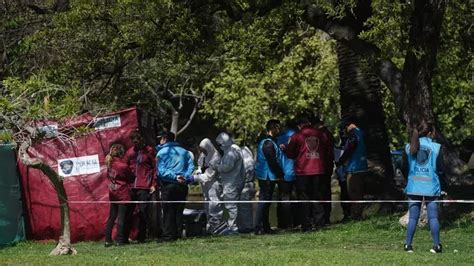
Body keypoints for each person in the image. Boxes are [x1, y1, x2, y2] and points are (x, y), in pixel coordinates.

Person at [403, 123, 444, 253]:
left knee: (413, 218)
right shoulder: (437, 148)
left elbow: (404, 168)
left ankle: (408, 245)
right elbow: (441, 169)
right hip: (431, 187)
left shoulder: (408, 147)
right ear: (430, 133)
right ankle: (436, 245)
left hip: (413, 186)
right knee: (433, 217)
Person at [285, 115, 331, 231]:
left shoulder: (297, 135)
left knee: (304, 199)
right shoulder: (320, 134)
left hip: (303, 172)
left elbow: (290, 154)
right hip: (319, 170)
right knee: (318, 198)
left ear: (299, 125)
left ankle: (306, 225)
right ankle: (320, 224)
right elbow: (328, 150)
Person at [156, 131, 194, 242]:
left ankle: (168, 236)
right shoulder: (185, 152)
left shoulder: (161, 153)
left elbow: (160, 171)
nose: (159, 141)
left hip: (168, 184)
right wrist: (184, 177)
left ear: (164, 139)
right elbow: (191, 167)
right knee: (179, 210)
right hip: (182, 185)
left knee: (168, 211)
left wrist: (174, 177)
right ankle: (178, 233)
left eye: (160, 138)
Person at [254, 119, 286, 234]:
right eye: (277, 127)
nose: (279, 130)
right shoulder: (267, 143)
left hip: (268, 176)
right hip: (267, 176)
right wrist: (280, 175)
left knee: (266, 202)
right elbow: (272, 161)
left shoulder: (270, 142)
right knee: (263, 202)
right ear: (272, 128)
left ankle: (265, 226)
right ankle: (258, 227)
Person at [125, 130, 157, 242]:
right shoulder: (129, 152)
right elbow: (125, 168)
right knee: (129, 212)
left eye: (137, 142)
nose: (135, 144)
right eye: (133, 142)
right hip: (131, 187)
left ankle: (142, 236)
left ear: (141, 140)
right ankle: (126, 236)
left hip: (144, 186)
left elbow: (154, 168)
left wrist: (153, 184)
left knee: (143, 212)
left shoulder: (149, 151)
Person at [187, 138, 224, 234]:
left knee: (214, 205)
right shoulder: (203, 155)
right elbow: (201, 166)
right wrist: (197, 172)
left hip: (213, 185)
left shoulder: (216, 157)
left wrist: (194, 178)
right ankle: (208, 227)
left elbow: (208, 176)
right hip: (205, 185)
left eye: (204, 149)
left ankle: (215, 228)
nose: (202, 151)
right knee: (207, 205)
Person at [336, 116, 368, 219]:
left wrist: (340, 161)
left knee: (353, 192)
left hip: (354, 168)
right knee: (359, 192)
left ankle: (356, 215)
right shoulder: (361, 132)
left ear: (347, 126)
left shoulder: (353, 135)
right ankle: (358, 214)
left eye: (343, 129)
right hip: (362, 166)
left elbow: (349, 150)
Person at [104, 143, 134, 247]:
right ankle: (119, 239)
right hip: (122, 192)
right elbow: (131, 177)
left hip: (113, 192)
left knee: (112, 216)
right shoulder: (123, 165)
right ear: (121, 153)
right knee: (121, 217)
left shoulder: (109, 163)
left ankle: (107, 239)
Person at [215, 132, 245, 234]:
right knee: (233, 205)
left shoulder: (230, 152)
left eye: (219, 144)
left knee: (231, 206)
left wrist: (216, 167)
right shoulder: (233, 150)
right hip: (233, 181)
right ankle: (235, 226)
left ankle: (233, 228)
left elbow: (227, 167)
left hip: (231, 183)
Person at [312, 116, 335, 225]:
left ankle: (322, 218)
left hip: (321, 167)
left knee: (320, 192)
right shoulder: (328, 134)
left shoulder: (321, 135)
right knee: (326, 192)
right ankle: (326, 217)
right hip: (327, 166)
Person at [238, 143, 257, 233]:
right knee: (245, 208)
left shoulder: (246, 162)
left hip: (245, 185)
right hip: (249, 184)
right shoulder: (250, 160)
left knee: (244, 208)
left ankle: (247, 227)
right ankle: (246, 225)